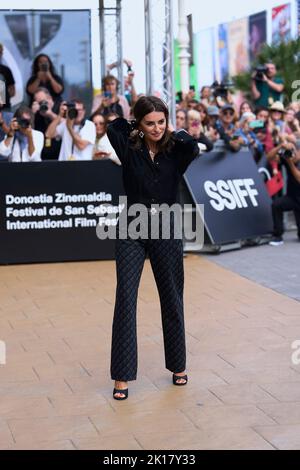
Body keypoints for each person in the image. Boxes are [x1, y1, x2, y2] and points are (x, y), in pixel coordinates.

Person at [107, 96, 200, 400]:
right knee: (126, 299)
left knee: (172, 298)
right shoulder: (129, 147)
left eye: (161, 121)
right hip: (132, 227)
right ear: (140, 123)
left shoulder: (176, 150)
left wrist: (173, 131)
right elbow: (114, 127)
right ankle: (122, 377)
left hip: (166, 227)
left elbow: (193, 146)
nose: (157, 128)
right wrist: (135, 122)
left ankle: (178, 366)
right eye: (150, 123)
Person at [268, 142, 300, 246]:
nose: (294, 154)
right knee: (276, 205)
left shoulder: (290, 161)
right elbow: (269, 157)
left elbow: (299, 178)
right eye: (293, 151)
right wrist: (280, 146)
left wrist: (290, 163)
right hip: (292, 197)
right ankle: (278, 235)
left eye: (296, 152)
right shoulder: (287, 156)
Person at [31, 87, 61, 160]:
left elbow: (68, 123)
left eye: (42, 102)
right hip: (43, 155)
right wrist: (32, 114)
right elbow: (29, 130)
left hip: (59, 153)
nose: (41, 105)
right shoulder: (37, 114)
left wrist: (50, 114)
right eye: (39, 103)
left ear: (50, 98)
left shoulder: (60, 106)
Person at [0, 43, 16, 110]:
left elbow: (12, 91)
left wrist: (4, 96)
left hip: (5, 109)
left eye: (0, 52)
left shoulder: (6, 70)